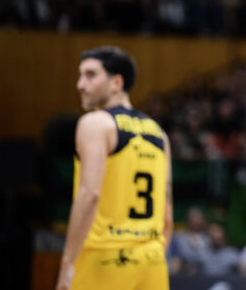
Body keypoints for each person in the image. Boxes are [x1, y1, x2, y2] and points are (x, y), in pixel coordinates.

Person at [55, 46, 173, 290]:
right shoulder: (159, 134)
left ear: (116, 83)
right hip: (152, 259)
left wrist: (67, 263)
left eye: (90, 75)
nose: (80, 84)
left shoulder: (96, 123)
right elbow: (167, 217)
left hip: (104, 258)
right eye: (80, 76)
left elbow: (89, 195)